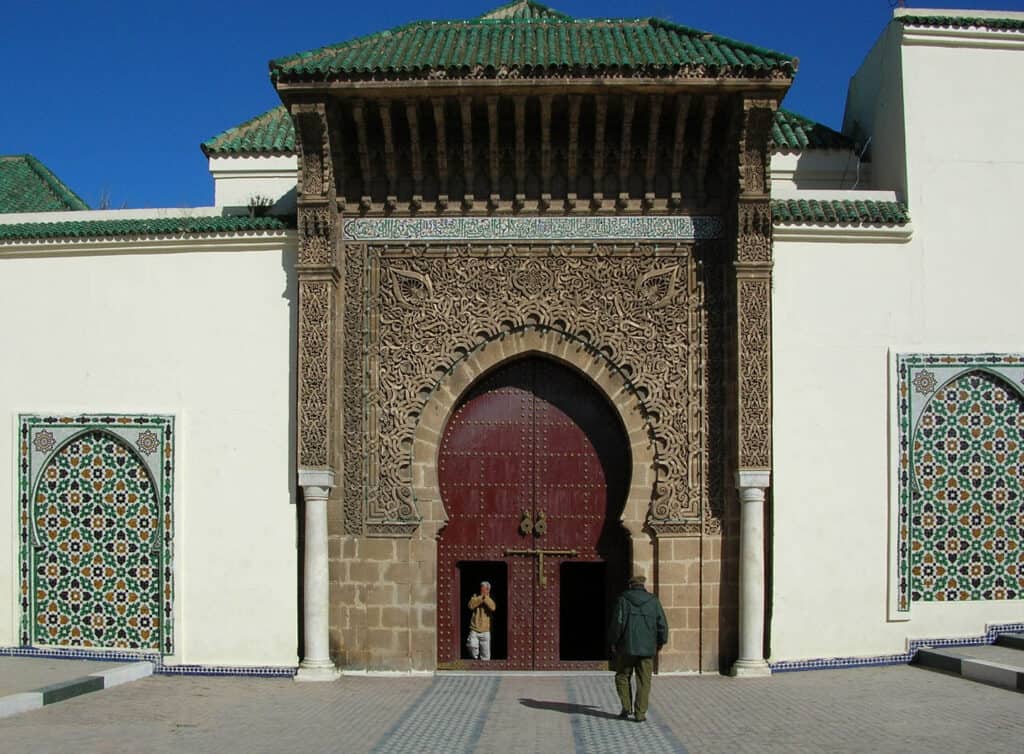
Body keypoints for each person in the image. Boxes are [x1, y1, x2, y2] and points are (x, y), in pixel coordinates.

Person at [607, 574, 668, 722]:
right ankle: (640, 714)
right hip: (647, 649)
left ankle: (626, 708)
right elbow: (662, 625)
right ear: (643, 585)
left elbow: (618, 624)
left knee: (622, 676)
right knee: (644, 680)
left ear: (631, 586)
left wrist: (613, 642)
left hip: (627, 648)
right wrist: (661, 642)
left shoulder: (623, 600)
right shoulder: (653, 601)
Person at [466, 581, 496, 660]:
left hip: (486, 630)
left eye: (484, 589)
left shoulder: (491, 597)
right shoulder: (475, 596)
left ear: (488, 589)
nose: (481, 590)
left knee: (485, 655)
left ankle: (485, 670)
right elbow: (470, 606)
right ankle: (475, 660)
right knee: (472, 646)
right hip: (474, 628)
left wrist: (485, 597)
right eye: (481, 588)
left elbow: (493, 607)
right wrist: (481, 597)